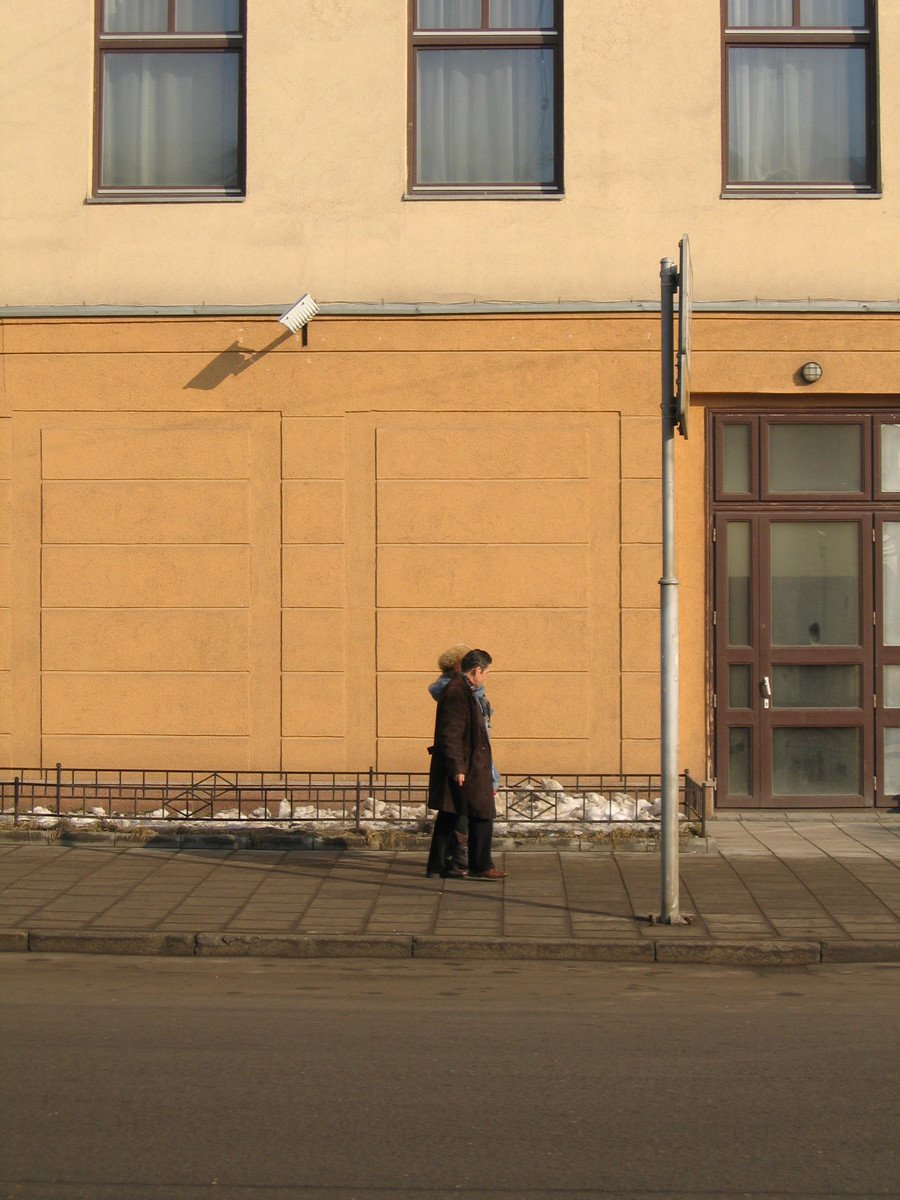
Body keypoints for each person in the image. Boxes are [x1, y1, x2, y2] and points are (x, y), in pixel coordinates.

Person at [426, 649, 505, 881]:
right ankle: (481, 866)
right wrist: (458, 768)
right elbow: (450, 734)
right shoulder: (458, 692)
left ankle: (437, 867)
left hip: (467, 764)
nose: (487, 676)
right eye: (486, 672)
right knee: (482, 813)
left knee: (449, 814)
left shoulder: (462, 689)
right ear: (476, 670)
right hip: (467, 766)